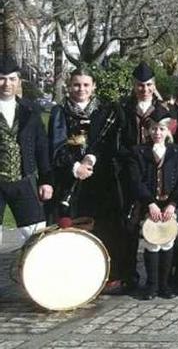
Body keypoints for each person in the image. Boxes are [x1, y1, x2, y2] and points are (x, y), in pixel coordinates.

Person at [48, 67, 127, 292]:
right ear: (69, 86)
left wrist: (91, 159)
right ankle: (72, 278)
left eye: (85, 85)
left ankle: (106, 275)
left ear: (93, 87)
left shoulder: (105, 111)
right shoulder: (59, 112)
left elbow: (110, 143)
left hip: (100, 179)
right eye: (76, 85)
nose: (81, 89)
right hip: (69, 179)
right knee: (71, 227)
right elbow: (56, 145)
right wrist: (75, 166)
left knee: (104, 226)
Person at [114, 61, 173, 291]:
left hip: (156, 172)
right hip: (130, 171)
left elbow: (171, 143)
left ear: (154, 85)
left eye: (148, 85)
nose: (144, 89)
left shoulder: (164, 110)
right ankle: (129, 274)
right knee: (129, 225)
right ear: (134, 85)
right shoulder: (123, 108)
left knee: (160, 225)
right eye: (140, 85)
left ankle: (159, 280)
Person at [130, 112, 178, 300]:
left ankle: (165, 284)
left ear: (168, 130)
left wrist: (173, 203)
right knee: (152, 242)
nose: (157, 133)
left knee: (167, 241)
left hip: (169, 204)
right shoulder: (139, 151)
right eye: (154, 129)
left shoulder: (177, 151)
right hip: (149, 204)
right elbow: (136, 180)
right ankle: (152, 285)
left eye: (161, 129)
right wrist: (150, 204)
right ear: (148, 130)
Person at [0, 56, 53, 242]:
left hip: (23, 179)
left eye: (12, 79)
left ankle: (28, 271)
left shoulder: (31, 110)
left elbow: (41, 146)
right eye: (2, 78)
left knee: (37, 234)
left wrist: (46, 180)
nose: (6, 83)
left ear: (18, 81)